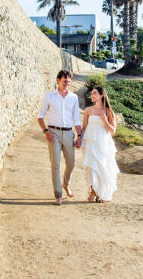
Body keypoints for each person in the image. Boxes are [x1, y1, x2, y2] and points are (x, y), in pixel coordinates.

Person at [37, 70, 82, 206]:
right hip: (53, 133)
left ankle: (66, 184)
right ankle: (58, 195)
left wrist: (79, 136)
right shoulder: (49, 96)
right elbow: (40, 117)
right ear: (58, 80)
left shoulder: (73, 97)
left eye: (68, 81)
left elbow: (76, 118)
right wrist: (46, 131)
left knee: (71, 163)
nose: (66, 84)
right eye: (64, 81)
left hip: (68, 133)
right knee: (55, 165)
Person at [80, 86, 119, 203]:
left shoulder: (108, 111)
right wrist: (79, 138)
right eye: (92, 93)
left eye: (94, 93)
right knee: (91, 166)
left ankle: (103, 194)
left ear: (101, 95)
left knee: (102, 166)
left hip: (103, 143)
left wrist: (105, 120)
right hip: (90, 142)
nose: (92, 95)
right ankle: (93, 191)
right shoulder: (88, 110)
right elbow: (84, 127)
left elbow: (113, 130)